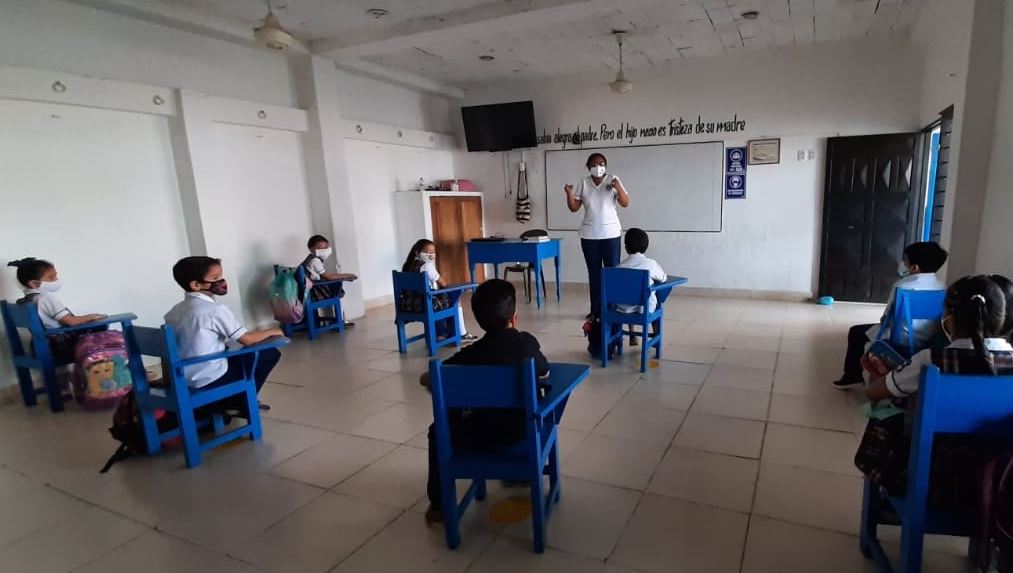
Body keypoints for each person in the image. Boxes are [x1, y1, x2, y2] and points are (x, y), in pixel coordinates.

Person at [856, 275, 1013, 509]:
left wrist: (886, 377)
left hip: (937, 479)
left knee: (884, 412)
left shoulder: (932, 361)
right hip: (998, 485)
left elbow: (873, 394)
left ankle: (891, 502)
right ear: (1001, 318)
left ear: (949, 319)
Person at [418, 279, 550, 524]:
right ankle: (521, 473)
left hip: (477, 434)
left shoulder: (472, 354)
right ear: (514, 317)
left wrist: (430, 379)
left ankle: (438, 506)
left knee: (437, 430)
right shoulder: (526, 344)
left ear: (479, 321)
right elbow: (544, 371)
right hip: (523, 432)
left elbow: (429, 379)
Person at [165, 256, 283, 415]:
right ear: (196, 285)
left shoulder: (174, 311)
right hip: (209, 378)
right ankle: (239, 402)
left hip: (182, 377)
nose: (221, 281)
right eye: (215, 278)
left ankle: (235, 402)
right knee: (268, 353)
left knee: (237, 355)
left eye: (221, 276)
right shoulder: (215, 310)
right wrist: (272, 331)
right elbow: (247, 339)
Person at [833, 241, 948, 389]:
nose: (902, 264)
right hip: (929, 339)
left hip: (902, 339)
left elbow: (886, 318)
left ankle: (852, 376)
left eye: (905, 261)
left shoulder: (903, 286)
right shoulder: (942, 286)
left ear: (914, 267)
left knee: (856, 332)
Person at [564, 152, 630, 318]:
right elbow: (574, 208)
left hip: (611, 234)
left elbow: (625, 203)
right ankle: (596, 311)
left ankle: (612, 309)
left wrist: (618, 187)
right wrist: (569, 194)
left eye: (601, 164)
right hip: (589, 236)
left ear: (605, 166)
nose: (598, 167)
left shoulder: (613, 179)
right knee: (594, 275)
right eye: (594, 164)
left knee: (612, 274)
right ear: (588, 167)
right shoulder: (584, 183)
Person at [7, 257, 108, 362]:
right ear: (34, 283)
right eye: (51, 278)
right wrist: (93, 316)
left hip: (38, 347)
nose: (56, 280)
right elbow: (71, 322)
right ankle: (99, 369)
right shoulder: (44, 299)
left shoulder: (22, 302)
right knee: (101, 327)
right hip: (57, 347)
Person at [400, 239, 476, 341]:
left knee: (442, 299)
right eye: (427, 252)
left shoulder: (407, 266)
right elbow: (443, 284)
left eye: (433, 252)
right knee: (454, 300)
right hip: (424, 304)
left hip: (407, 304)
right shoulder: (426, 266)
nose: (431, 255)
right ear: (417, 253)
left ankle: (444, 333)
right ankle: (451, 333)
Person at [615, 228, 666, 346]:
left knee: (629, 293)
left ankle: (632, 334)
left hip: (623, 309)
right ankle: (655, 338)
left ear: (626, 248)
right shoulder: (650, 264)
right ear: (646, 247)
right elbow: (663, 278)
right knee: (657, 299)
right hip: (645, 309)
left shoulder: (619, 267)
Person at [302, 234, 357, 326]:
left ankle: (336, 319)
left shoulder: (310, 259)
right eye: (321, 249)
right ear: (312, 250)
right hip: (315, 293)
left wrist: (344, 277)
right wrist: (347, 276)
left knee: (337, 286)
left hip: (309, 291)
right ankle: (340, 320)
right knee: (338, 289)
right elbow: (329, 277)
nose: (325, 251)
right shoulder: (315, 261)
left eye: (326, 248)